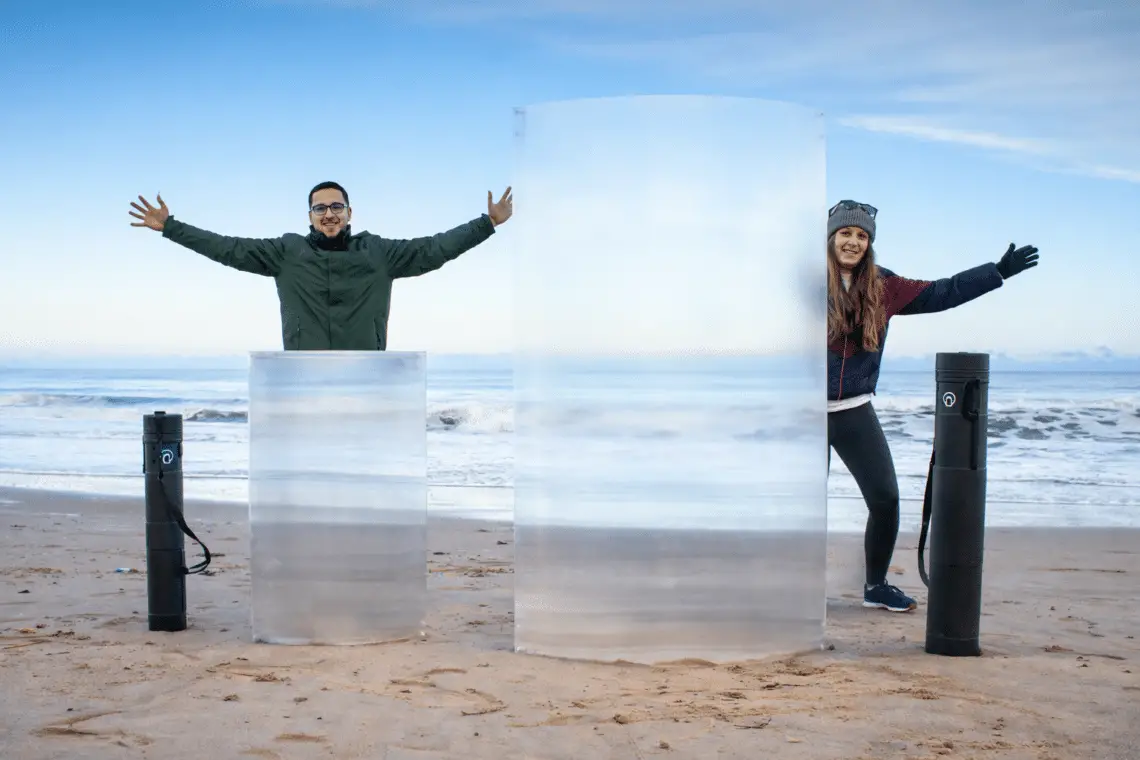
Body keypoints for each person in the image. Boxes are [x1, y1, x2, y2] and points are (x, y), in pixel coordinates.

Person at [825, 199, 1039, 613]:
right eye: (845, 233)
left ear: (869, 244)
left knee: (885, 499)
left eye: (861, 235)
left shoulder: (883, 287)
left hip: (853, 410)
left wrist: (996, 272)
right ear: (831, 237)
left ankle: (875, 585)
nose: (853, 241)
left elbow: (942, 293)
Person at [128, 181, 514, 350]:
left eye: (336, 207)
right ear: (309, 215)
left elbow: (435, 248)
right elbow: (227, 248)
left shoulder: (378, 253)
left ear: (349, 213)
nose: (328, 213)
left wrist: (487, 223)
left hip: (366, 380)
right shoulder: (286, 252)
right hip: (303, 381)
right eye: (320, 207)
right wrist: (172, 228)